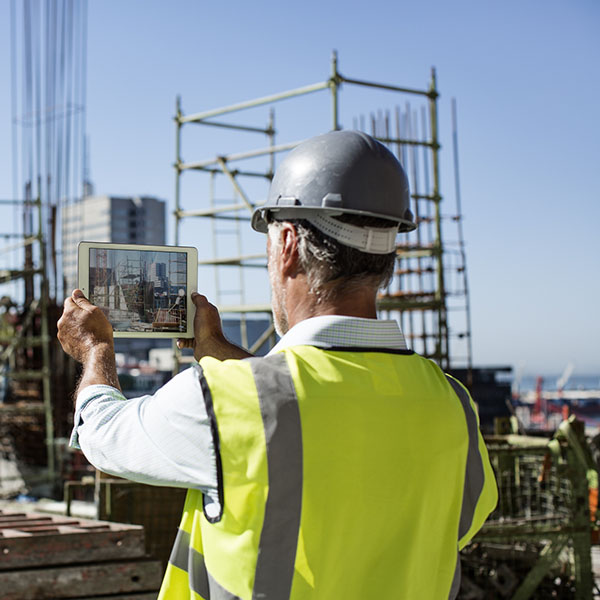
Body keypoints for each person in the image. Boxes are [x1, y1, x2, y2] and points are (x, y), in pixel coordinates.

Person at [58, 130, 497, 600]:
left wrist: (95, 350)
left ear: (286, 245)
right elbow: (319, 412)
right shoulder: (452, 405)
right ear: (388, 254)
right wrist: (218, 348)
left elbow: (106, 436)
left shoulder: (224, 400)